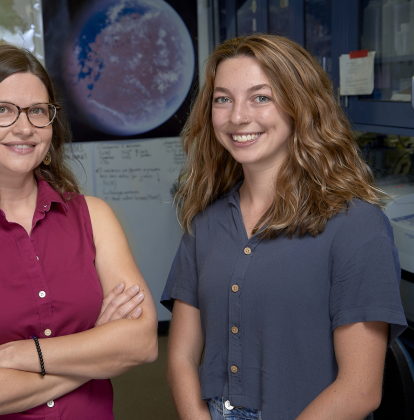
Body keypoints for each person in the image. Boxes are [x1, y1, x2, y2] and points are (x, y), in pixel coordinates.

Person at [161, 34, 407, 420]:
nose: (238, 116)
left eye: (261, 97)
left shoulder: (356, 225)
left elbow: (360, 390)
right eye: (223, 99)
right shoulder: (205, 224)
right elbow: (180, 355)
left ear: (300, 107)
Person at [0, 44, 158, 420]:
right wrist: (94, 353)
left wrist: (15, 355)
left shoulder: (95, 217)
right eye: (2, 110)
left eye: (38, 111)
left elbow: (141, 343)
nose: (24, 128)